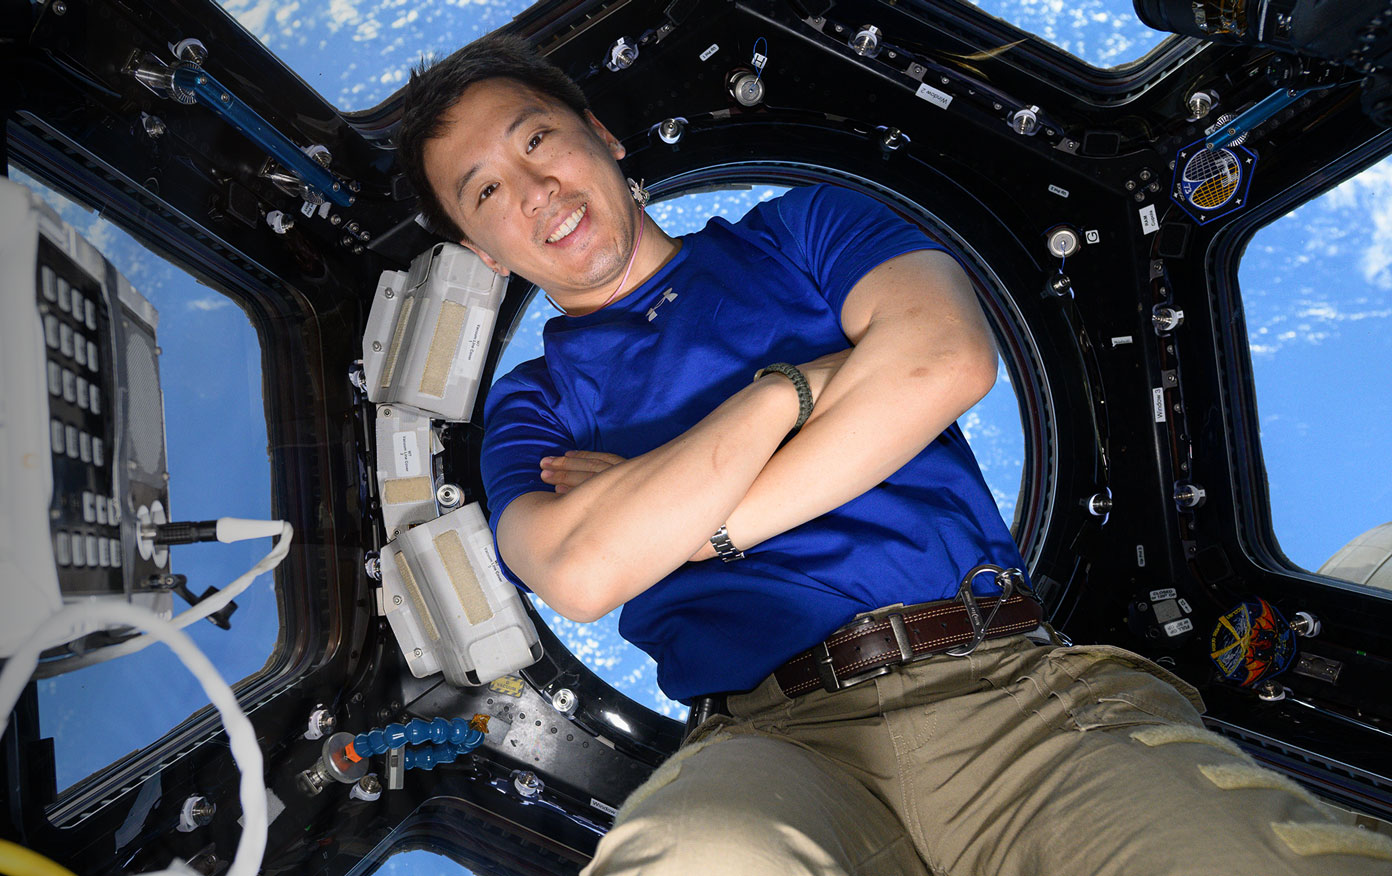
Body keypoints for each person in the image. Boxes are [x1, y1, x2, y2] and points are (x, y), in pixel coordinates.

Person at [397, 34, 1389, 876]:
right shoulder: (530, 411)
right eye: (485, 192)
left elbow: (944, 362)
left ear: (601, 140)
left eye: (539, 141)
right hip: (770, 746)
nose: (533, 192)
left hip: (1015, 699)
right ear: (484, 253)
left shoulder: (803, 228)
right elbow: (577, 572)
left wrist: (694, 527)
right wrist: (798, 386)